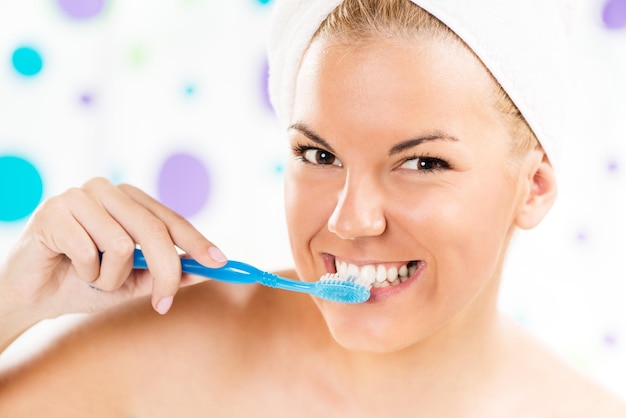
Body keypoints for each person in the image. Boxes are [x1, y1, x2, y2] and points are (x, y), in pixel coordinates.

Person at [1, 0, 624, 416]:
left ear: (534, 186)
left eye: (423, 163)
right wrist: (15, 302)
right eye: (319, 155)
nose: (351, 221)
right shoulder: (178, 350)